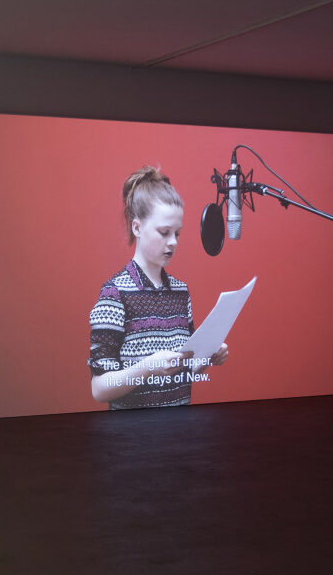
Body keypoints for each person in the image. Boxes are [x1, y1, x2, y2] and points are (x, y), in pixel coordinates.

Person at [88, 166, 228, 409]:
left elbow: (185, 371)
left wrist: (208, 358)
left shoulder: (181, 292)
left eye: (177, 233)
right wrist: (148, 367)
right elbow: (99, 388)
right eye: (164, 232)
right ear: (137, 228)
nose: (173, 242)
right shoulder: (115, 294)